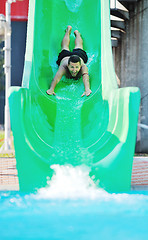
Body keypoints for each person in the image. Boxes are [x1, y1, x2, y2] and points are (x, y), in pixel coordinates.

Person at [46, 25, 92, 97]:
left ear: (80, 66)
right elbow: (56, 78)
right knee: (64, 46)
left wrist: (87, 89)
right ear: (68, 65)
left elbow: (86, 79)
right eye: (72, 67)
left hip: (78, 56)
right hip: (65, 57)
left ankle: (77, 34)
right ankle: (68, 31)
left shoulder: (83, 67)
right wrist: (51, 89)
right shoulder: (64, 66)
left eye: (77, 67)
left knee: (79, 46)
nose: (74, 70)